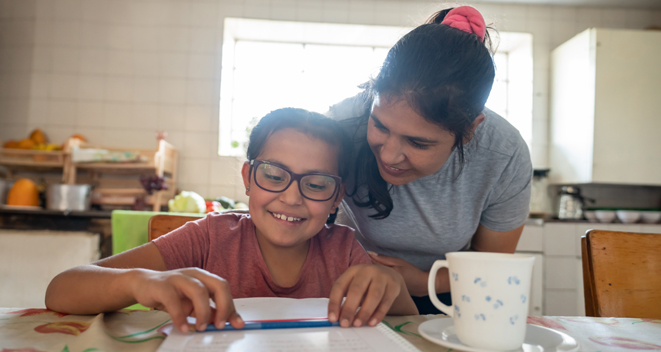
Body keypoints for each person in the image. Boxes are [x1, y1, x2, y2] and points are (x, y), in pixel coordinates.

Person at [45, 108, 417, 332]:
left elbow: (407, 323)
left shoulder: (343, 249)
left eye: (316, 184)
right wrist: (140, 282)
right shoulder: (208, 237)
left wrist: (392, 283)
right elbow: (61, 289)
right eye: (274, 175)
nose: (291, 196)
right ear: (247, 179)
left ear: (337, 196)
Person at [327, 6, 533, 314]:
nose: (389, 155)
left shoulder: (504, 154)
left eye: (418, 142)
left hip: (448, 293)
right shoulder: (343, 124)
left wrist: (425, 283)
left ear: (469, 131)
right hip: (349, 287)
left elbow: (493, 263)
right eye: (380, 126)